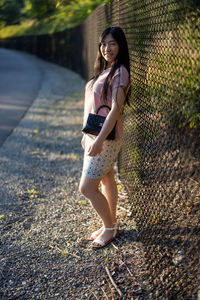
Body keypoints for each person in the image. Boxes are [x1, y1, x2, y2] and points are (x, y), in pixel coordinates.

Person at [79, 26, 130, 249]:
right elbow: (91, 105)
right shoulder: (103, 70)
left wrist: (99, 140)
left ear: (120, 46)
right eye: (103, 44)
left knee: (87, 188)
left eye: (112, 44)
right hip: (94, 135)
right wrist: (85, 134)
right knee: (107, 178)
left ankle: (109, 229)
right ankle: (110, 224)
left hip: (106, 139)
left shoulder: (120, 73)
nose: (106, 48)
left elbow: (115, 110)